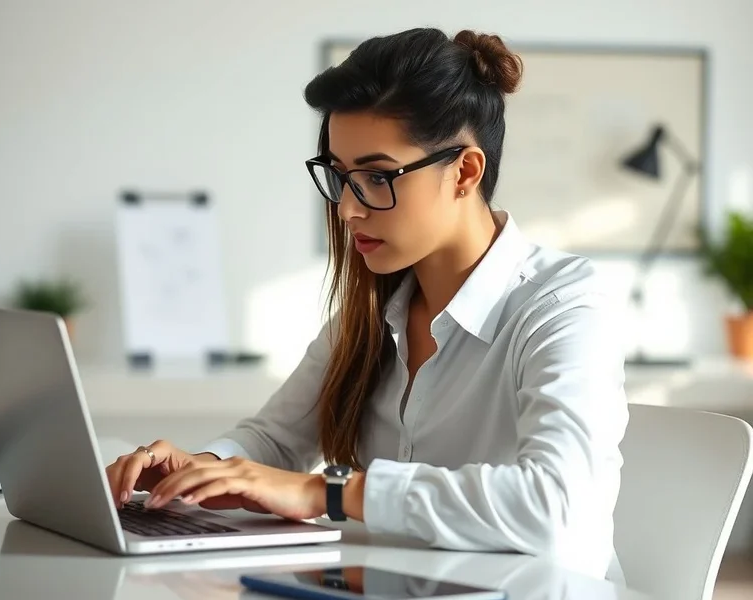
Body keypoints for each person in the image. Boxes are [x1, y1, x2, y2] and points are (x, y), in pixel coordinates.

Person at [106, 27, 628, 581]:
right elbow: (277, 440)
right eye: (339, 176)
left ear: (465, 172)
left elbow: (556, 504)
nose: (347, 210)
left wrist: (329, 493)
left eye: (377, 177)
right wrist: (204, 469)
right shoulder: (377, 307)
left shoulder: (564, 307)